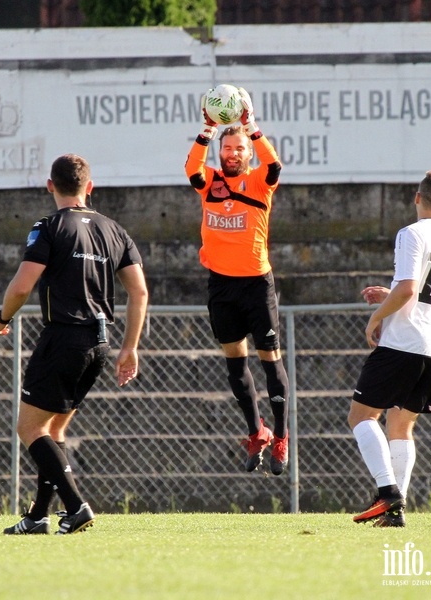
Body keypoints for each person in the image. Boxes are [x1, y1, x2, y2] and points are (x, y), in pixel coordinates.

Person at [0, 153, 147, 535]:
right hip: (100, 343)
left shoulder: (49, 227)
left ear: (50, 186)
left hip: (63, 337)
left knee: (29, 429)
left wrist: (2, 318)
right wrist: (130, 347)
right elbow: (139, 291)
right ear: (89, 188)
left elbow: (23, 285)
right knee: (54, 430)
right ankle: (38, 517)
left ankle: (76, 506)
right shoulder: (115, 230)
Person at [348, 170, 431, 527]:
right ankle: (396, 512)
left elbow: (408, 291)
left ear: (417, 198)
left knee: (362, 416)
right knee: (401, 426)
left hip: (403, 343)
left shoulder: (411, 233)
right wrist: (391, 297)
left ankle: (388, 494)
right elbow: (427, 296)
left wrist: (376, 318)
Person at [184, 88, 290, 475]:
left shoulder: (261, 182)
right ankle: (255, 431)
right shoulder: (209, 180)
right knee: (234, 364)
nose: (231, 153)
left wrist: (251, 128)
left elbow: (274, 164)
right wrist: (207, 129)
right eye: (226, 149)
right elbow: (191, 167)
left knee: (269, 362)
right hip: (221, 286)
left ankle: (280, 436)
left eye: (238, 149)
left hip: (256, 286)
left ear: (247, 155)